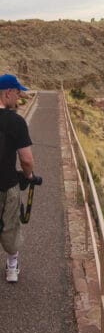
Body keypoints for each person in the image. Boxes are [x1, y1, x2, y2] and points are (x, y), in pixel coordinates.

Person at [0, 74, 33, 283]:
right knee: (10, 226)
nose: (19, 97)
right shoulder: (16, 122)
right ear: (7, 93)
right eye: (17, 92)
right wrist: (28, 176)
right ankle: (12, 267)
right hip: (7, 185)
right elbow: (26, 158)